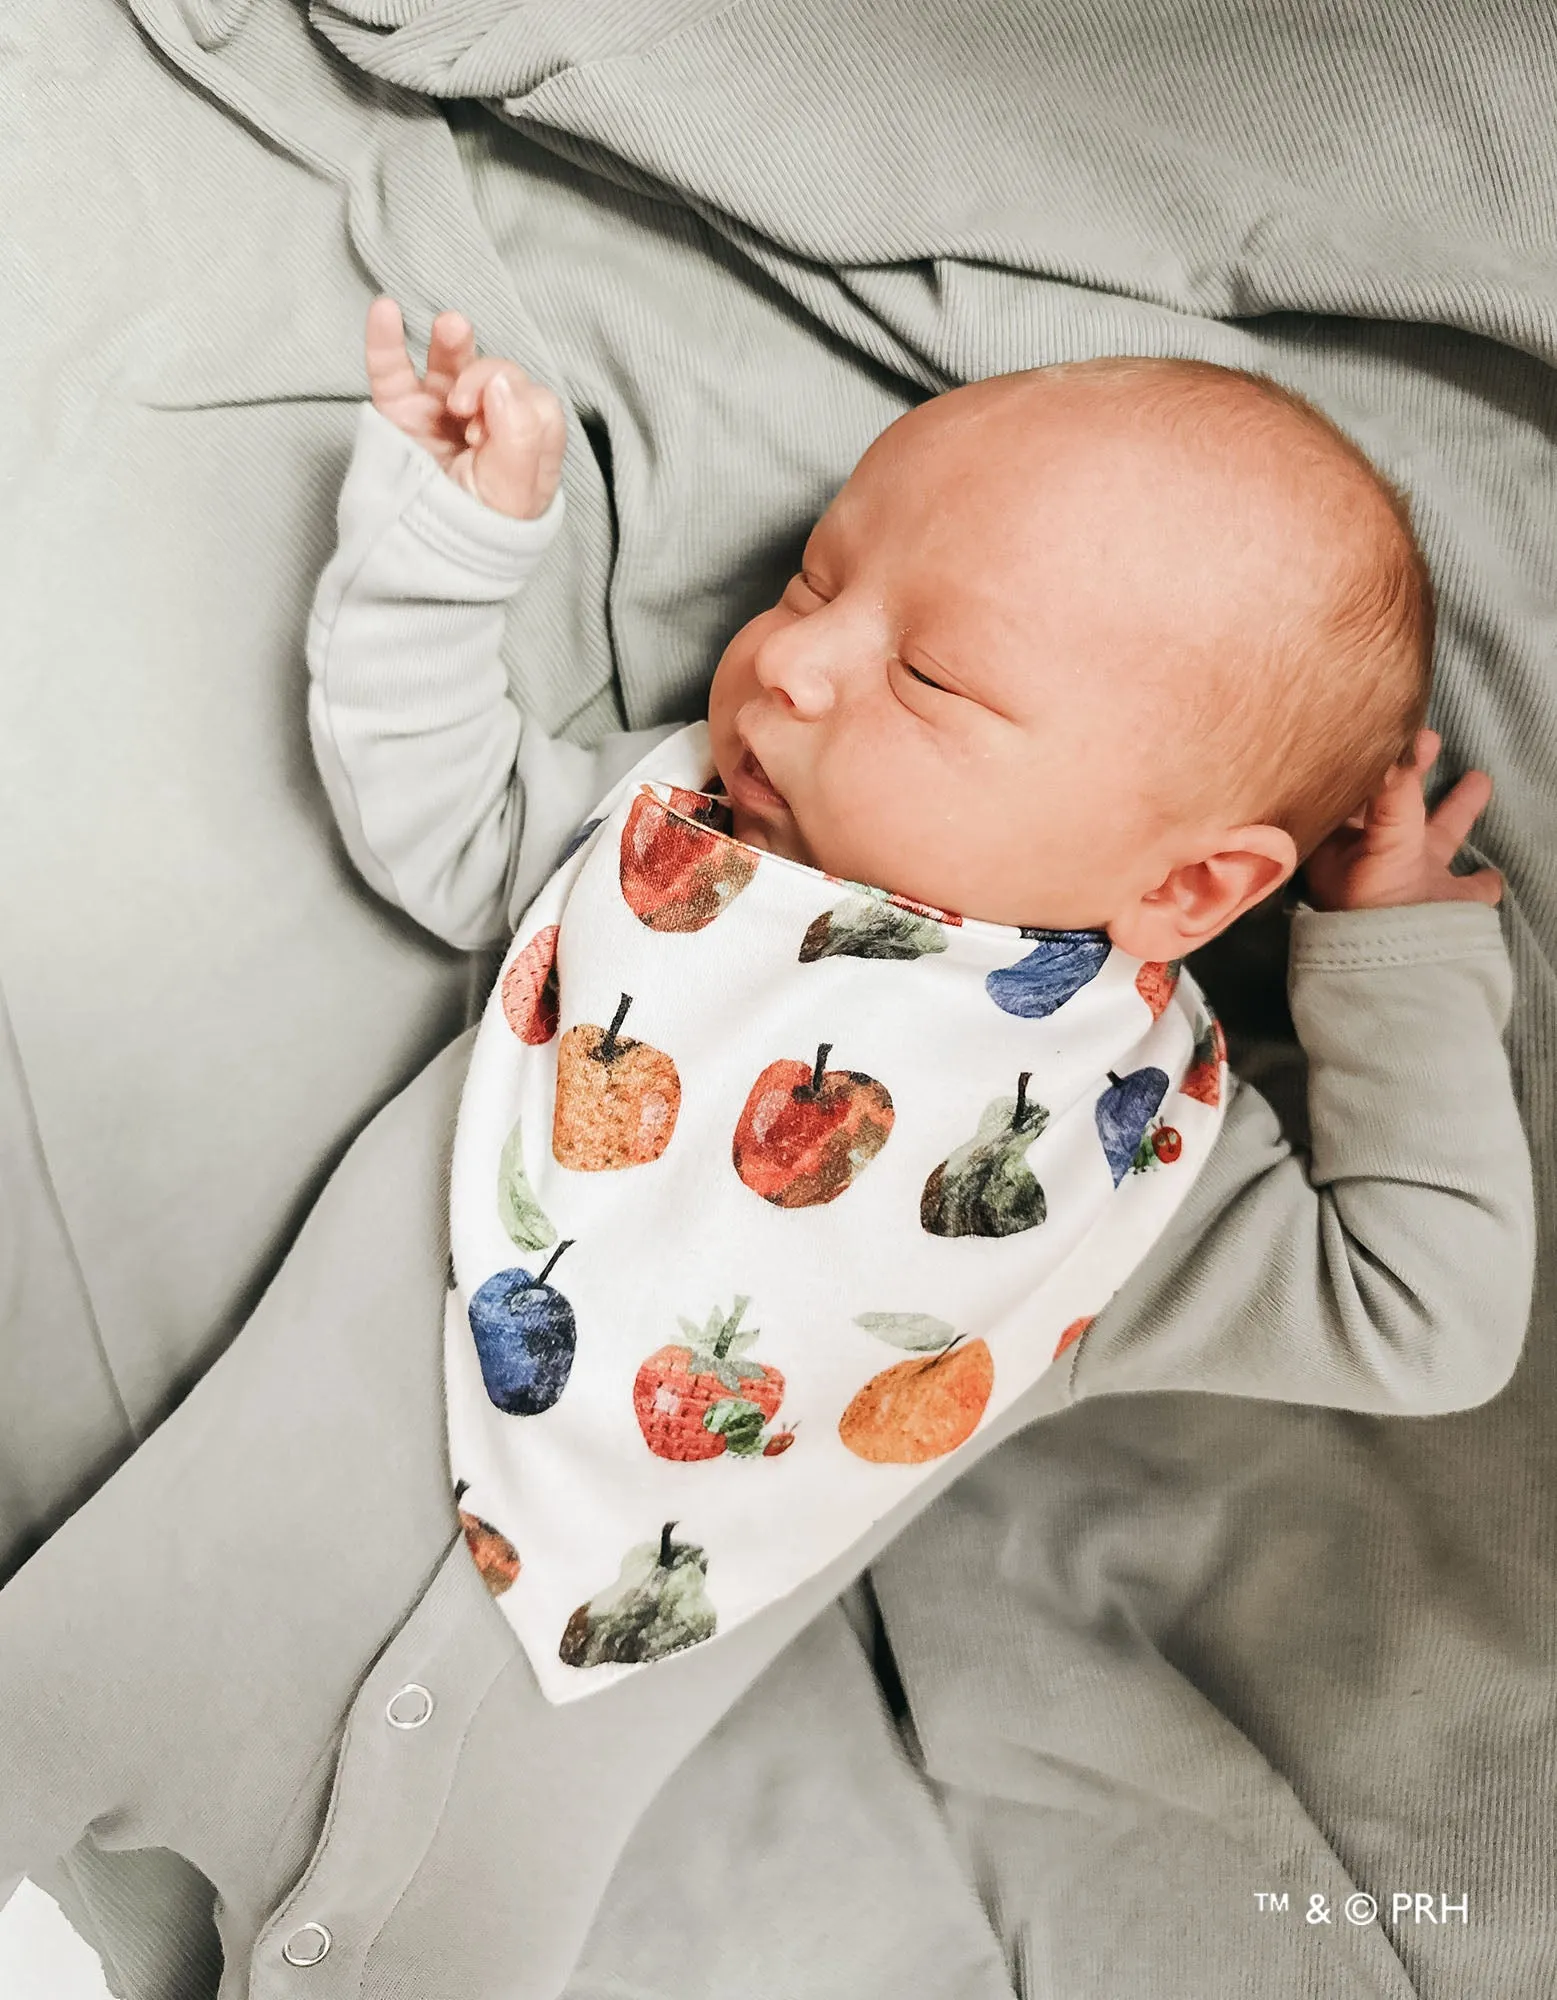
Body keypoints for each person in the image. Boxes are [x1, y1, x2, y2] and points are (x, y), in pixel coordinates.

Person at [306, 298, 1530, 1702]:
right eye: (816, 583)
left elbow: (1424, 1319)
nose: (792, 659)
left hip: (526, 1746)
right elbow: (442, 819)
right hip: (255, 1496)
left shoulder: (1117, 1163)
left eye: (932, 674)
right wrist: (455, 543)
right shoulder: (681, 839)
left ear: (1192, 891)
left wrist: (1398, 963)